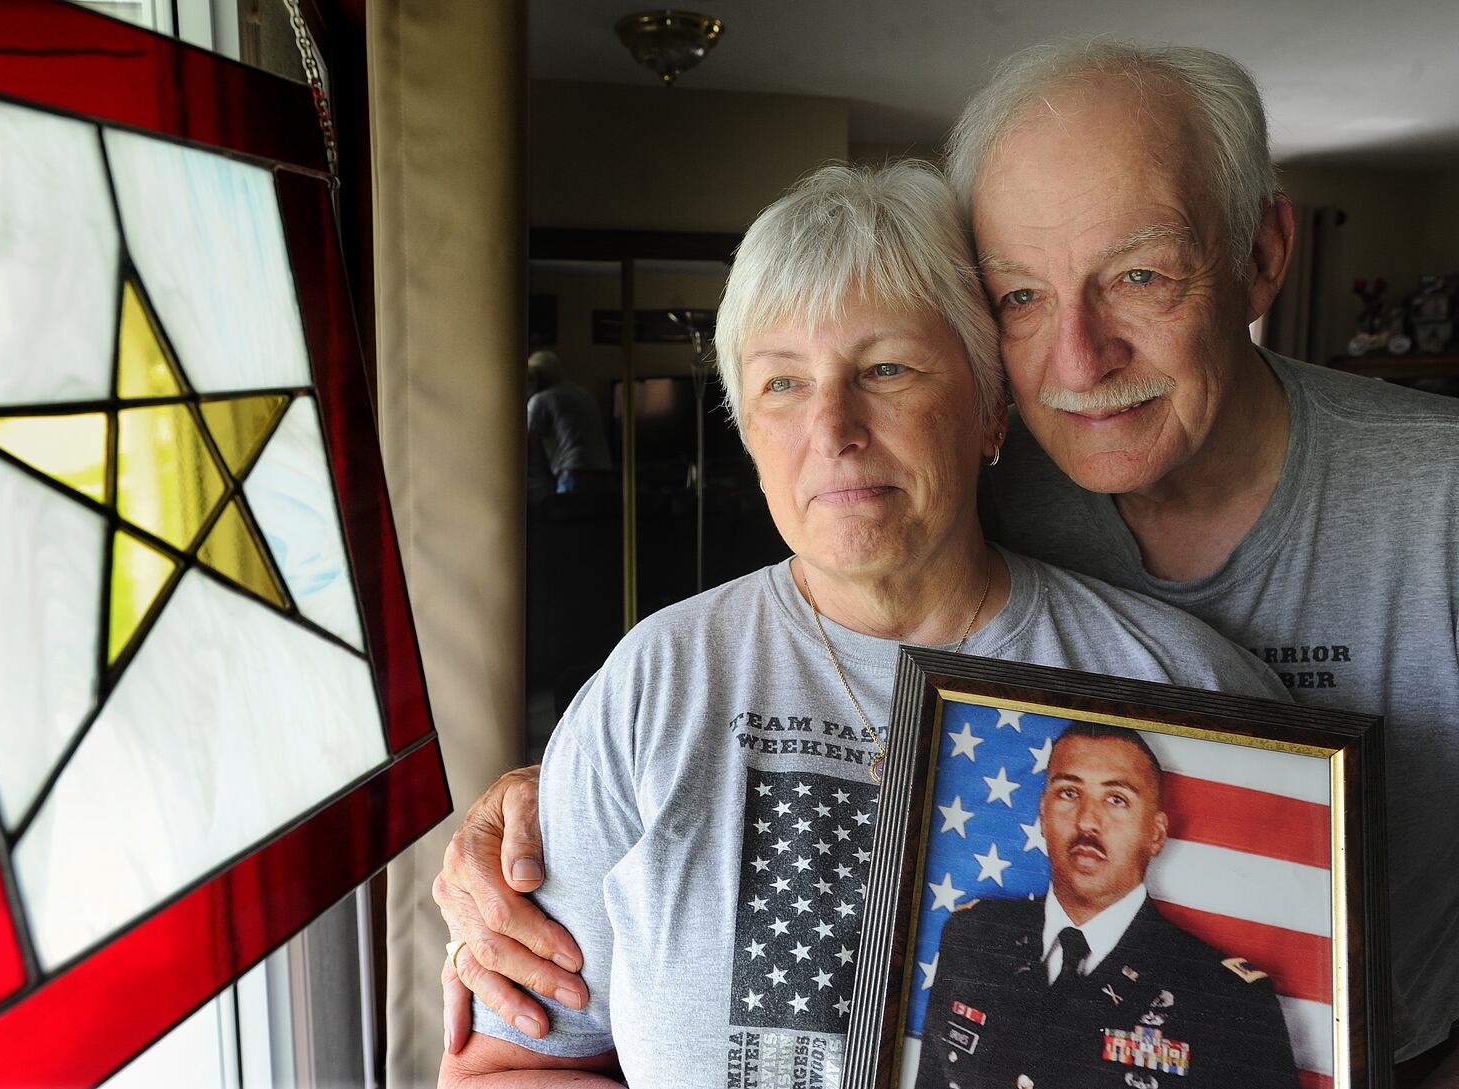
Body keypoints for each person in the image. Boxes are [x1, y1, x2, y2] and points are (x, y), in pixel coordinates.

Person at [435, 40, 1459, 1085]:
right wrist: (553, 792)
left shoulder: (1336, 575)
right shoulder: (663, 679)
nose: (1081, 359)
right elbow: (518, 1051)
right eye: (781, 384)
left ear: (984, 410)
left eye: (886, 369)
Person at [917, 723, 1296, 1089]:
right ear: (1042, 814)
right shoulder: (975, 936)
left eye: (1116, 799)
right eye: (1068, 792)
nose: (1087, 821)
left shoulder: (1226, 998)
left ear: (1156, 833)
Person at [525, 349, 614, 494]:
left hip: (573, 472)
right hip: (604, 471)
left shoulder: (541, 400)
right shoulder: (583, 393)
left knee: (568, 515)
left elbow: (527, 445)